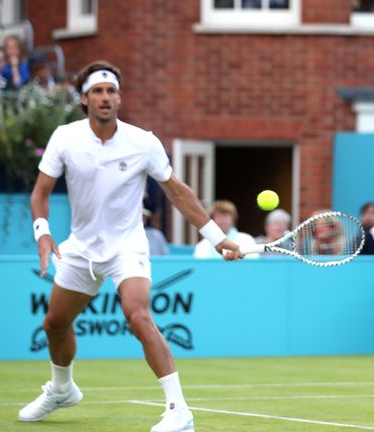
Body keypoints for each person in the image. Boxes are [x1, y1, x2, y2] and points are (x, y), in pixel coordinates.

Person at [22, 60, 244, 432]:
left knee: (138, 315)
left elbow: (177, 191)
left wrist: (218, 238)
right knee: (54, 323)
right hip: (80, 248)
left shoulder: (143, 141)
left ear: (119, 98)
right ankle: (62, 389)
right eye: (98, 91)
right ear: (84, 99)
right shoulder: (65, 137)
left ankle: (179, 410)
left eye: (111, 91)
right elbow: (40, 193)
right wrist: (42, 232)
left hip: (127, 247)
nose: (105, 98)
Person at [194, 199, 258, 259]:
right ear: (212, 220)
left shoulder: (247, 239)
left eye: (226, 216)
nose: (222, 220)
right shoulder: (202, 245)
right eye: (219, 216)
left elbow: (253, 264)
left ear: (233, 219)